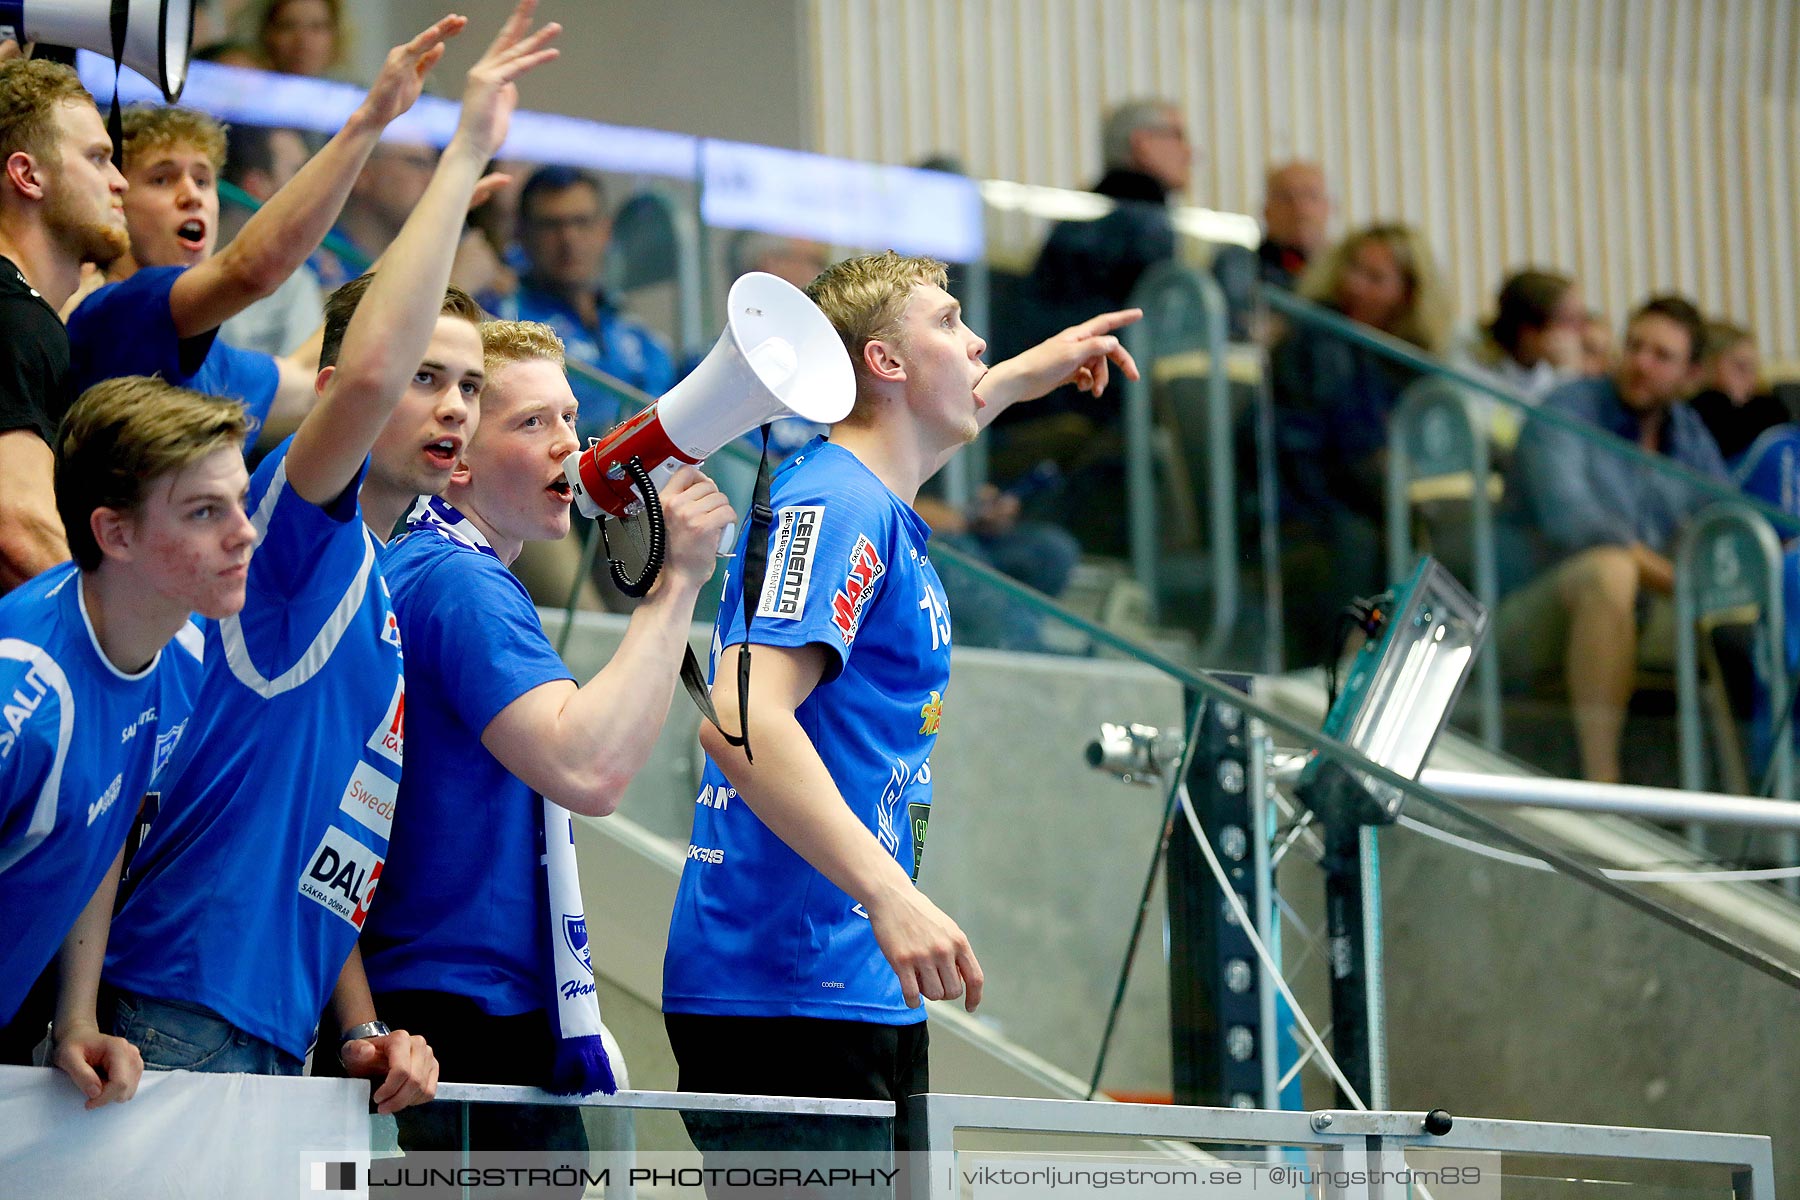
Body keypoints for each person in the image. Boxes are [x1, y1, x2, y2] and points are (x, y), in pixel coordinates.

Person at [92, 2, 561, 1104]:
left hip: (283, 1028)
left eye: (471, 387)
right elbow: (366, 366)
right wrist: (460, 151)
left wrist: (364, 1024)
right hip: (181, 1012)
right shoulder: (293, 532)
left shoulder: (381, 584)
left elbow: (329, 834)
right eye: (428, 377)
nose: (449, 407)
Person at [662, 250, 1140, 1154]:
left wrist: (1022, 378)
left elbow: (933, 417)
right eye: (951, 323)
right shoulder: (838, 502)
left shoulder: (870, 495)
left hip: (846, 979)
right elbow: (740, 718)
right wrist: (890, 894)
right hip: (791, 991)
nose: (978, 342)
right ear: (884, 364)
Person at [359, 319, 732, 1153]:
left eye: (570, 418)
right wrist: (676, 586)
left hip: (449, 1003)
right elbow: (589, 768)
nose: (568, 445)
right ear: (454, 457)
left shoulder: (442, 567)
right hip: (459, 1015)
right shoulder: (459, 581)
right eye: (531, 423)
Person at [0, 378, 254, 1108]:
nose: (244, 532)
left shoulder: (181, 646)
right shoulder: (24, 702)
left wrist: (74, 1017)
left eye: (240, 502)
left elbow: (103, 823)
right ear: (115, 534)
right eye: (206, 512)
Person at [65, 20, 466, 441]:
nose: (192, 196)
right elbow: (250, 269)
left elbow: (312, 374)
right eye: (162, 179)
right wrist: (369, 122)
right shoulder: (113, 310)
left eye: (203, 180)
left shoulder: (214, 360)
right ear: (115, 198)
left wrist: (438, 210)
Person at [1498, 295, 1728, 784]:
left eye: (1661, 356)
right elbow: (1574, 525)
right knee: (1610, 569)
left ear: (1690, 376)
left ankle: (1761, 799)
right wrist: (1679, 581)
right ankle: (1602, 783)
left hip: (1645, 610)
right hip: (1522, 614)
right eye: (1635, 346)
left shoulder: (1687, 433)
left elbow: (1722, 524)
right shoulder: (1566, 409)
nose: (1641, 363)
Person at [1268, 222, 1450, 664]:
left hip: (1360, 501)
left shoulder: (1410, 359)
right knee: (1368, 541)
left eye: (1374, 278)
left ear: (1407, 293)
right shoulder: (1320, 335)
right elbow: (1346, 445)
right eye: (1352, 269)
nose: (1353, 285)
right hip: (1308, 500)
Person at [0, 58, 128, 590]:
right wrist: (145, 658)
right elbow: (20, 530)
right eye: (98, 159)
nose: (120, 181)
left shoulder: (26, 313)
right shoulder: (13, 317)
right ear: (28, 176)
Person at [492, 165, 676, 436]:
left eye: (581, 222)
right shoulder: (502, 323)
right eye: (551, 225)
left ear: (605, 230)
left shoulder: (642, 338)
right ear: (521, 233)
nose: (568, 239)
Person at [217, 122, 324, 358]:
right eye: (298, 172)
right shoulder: (181, 264)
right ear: (255, 186)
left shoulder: (295, 284)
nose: (312, 189)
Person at [1450, 268, 1587, 447]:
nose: (1581, 333)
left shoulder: (1553, 372)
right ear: (1528, 332)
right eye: (1569, 321)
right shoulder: (1465, 351)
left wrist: (1568, 375)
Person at [1212, 160, 1332, 341]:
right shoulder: (1238, 266)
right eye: (1286, 197)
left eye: (1311, 196)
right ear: (1266, 210)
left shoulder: (1346, 274)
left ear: (1328, 207)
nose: (1300, 208)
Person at [1688, 320, 1788, 463]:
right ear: (1707, 364)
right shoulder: (1697, 411)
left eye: (1754, 369)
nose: (1751, 379)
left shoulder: (1755, 409)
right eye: (1741, 367)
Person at [257, 0, 347, 79]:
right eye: (289, 26)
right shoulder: (249, 86)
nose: (304, 41)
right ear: (268, 34)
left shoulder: (353, 95)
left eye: (317, 27)